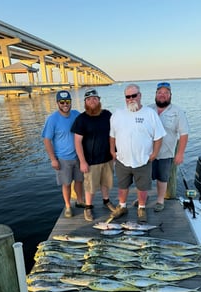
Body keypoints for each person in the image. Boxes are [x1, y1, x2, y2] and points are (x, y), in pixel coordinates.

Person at [109, 83, 166, 223]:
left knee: (142, 187)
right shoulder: (117, 114)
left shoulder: (150, 114)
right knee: (122, 186)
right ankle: (122, 206)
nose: (131, 99)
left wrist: (154, 154)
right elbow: (112, 135)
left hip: (143, 160)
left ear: (140, 96)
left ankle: (141, 208)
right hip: (122, 160)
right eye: (128, 96)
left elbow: (159, 136)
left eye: (134, 95)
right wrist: (112, 151)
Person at [71, 88, 115, 222]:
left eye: (95, 98)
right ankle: (88, 207)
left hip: (107, 158)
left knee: (106, 182)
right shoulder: (81, 119)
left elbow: (113, 134)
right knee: (90, 186)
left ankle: (106, 201)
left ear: (99, 100)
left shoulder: (107, 115)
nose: (92, 101)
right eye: (89, 99)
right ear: (85, 102)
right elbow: (77, 142)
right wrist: (82, 161)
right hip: (90, 161)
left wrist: (114, 152)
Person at [42, 90, 84, 218]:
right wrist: (53, 159)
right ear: (58, 103)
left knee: (79, 181)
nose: (65, 104)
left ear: (71, 102)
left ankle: (80, 201)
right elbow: (47, 139)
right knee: (66, 184)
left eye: (68, 102)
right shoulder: (52, 119)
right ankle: (67, 206)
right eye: (62, 102)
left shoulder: (76, 114)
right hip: (63, 159)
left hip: (78, 156)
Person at [149, 81, 189, 212]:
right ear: (155, 94)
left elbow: (184, 134)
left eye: (166, 93)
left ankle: (160, 200)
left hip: (166, 152)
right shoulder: (148, 110)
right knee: (144, 177)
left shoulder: (178, 112)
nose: (162, 95)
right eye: (160, 92)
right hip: (147, 153)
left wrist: (180, 153)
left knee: (163, 177)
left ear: (170, 95)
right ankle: (143, 198)